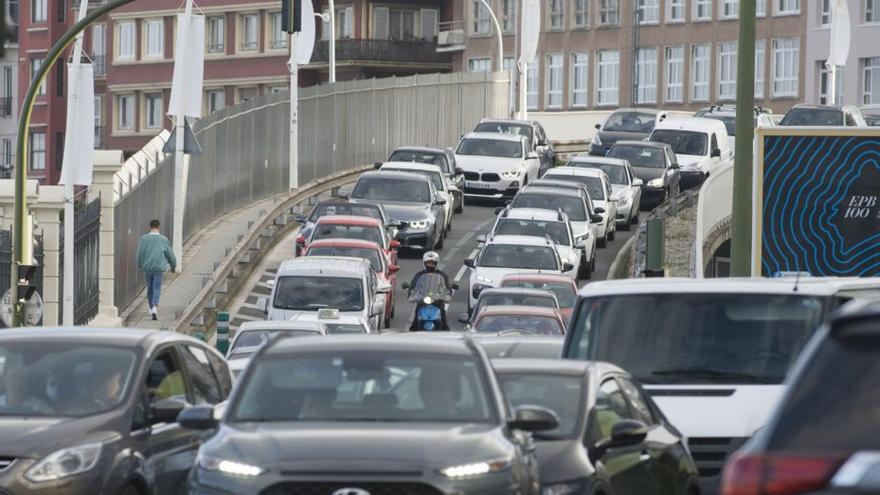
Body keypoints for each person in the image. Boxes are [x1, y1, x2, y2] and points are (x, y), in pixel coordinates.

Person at [136, 219, 176, 321]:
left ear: (150, 227)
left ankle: (150, 308)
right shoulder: (163, 239)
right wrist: (173, 266)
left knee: (149, 287)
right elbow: (170, 254)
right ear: (159, 227)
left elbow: (140, 253)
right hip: (159, 267)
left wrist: (140, 264)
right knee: (157, 287)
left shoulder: (144, 239)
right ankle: (154, 307)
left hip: (147, 267)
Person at [407, 251, 452, 331]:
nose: (430, 265)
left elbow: (447, 288)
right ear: (424, 263)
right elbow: (413, 286)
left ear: (437, 263)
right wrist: (411, 295)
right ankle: (413, 337)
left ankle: (445, 334)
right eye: (428, 263)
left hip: (438, 302)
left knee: (444, 323)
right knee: (413, 326)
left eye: (432, 263)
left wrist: (447, 295)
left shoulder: (442, 275)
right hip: (422, 302)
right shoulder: (419, 275)